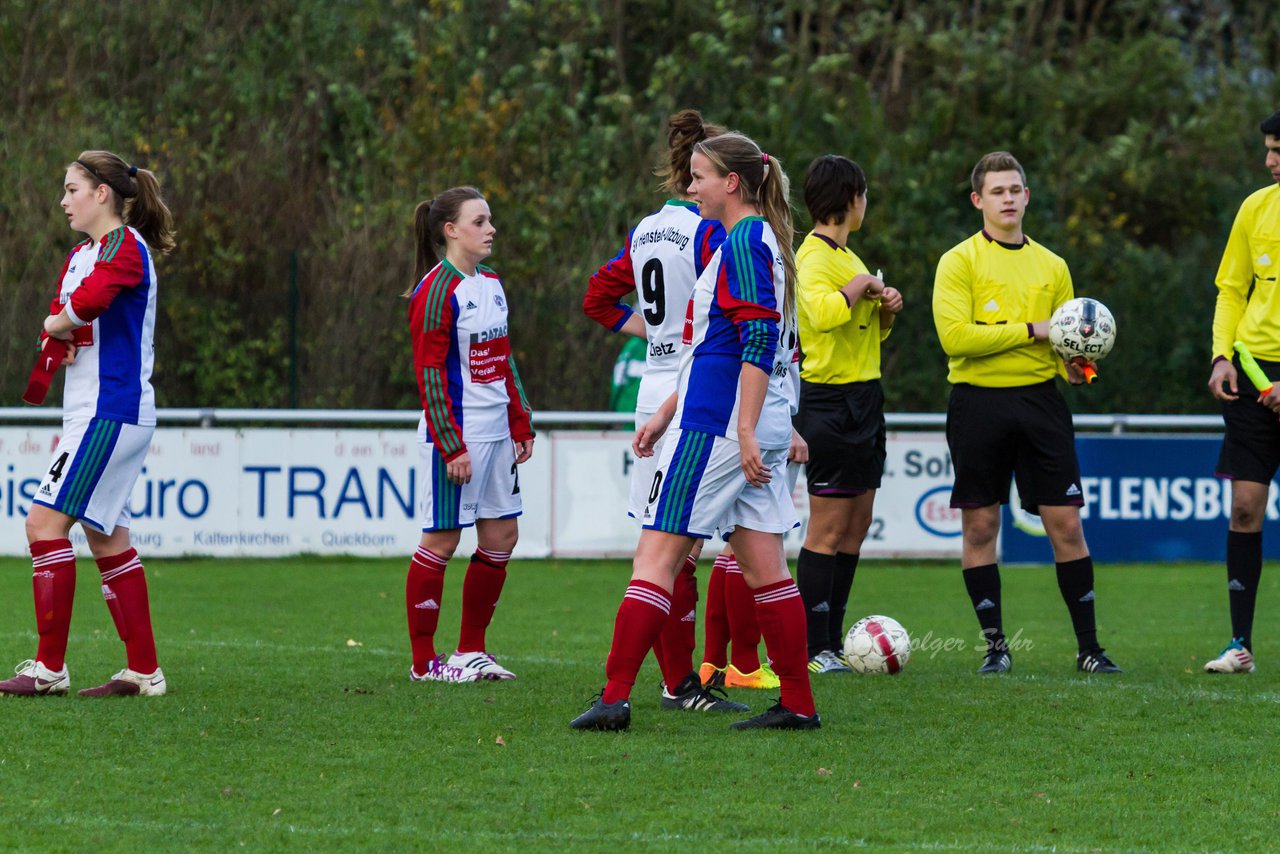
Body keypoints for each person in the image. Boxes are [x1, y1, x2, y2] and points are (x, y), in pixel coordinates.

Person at [572, 131, 820, 731]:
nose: (691, 186)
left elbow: (758, 342)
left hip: (717, 429)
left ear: (732, 183)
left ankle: (614, 699)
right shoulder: (756, 240)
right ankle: (798, 704)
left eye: (701, 176)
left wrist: (742, 426)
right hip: (732, 421)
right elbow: (723, 342)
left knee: (654, 558)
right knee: (767, 567)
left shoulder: (742, 243)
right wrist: (666, 411)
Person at [582, 109, 750, 711]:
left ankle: (674, 682)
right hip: (692, 388)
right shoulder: (711, 232)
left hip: (656, 385)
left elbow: (597, 299)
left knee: (671, 545)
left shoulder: (646, 230)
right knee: (674, 549)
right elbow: (728, 309)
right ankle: (676, 683)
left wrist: (651, 332)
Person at [932, 151, 1121, 675]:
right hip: (977, 403)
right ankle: (996, 647)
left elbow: (1065, 350)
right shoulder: (959, 261)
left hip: (1041, 403)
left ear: (1027, 196)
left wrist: (1081, 364)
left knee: (1066, 524)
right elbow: (957, 338)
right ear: (978, 201)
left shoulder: (1053, 266)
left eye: (1015, 189)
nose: (1009, 198)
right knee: (980, 527)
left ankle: (1090, 649)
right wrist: (1034, 331)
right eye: (998, 191)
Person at [0, 151, 175, 698]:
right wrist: (58, 329)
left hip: (111, 411)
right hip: (91, 411)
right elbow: (64, 312)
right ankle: (144, 671)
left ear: (103, 193)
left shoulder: (126, 247)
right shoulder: (83, 253)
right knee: (107, 538)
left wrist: (58, 323)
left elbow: (84, 305)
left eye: (72, 188)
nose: (64, 199)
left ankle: (49, 668)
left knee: (43, 526)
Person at [404, 186, 535, 683]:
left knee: (502, 534)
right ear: (450, 230)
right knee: (441, 539)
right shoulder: (436, 292)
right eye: (479, 221)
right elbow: (430, 375)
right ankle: (424, 664)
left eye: (490, 220)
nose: (491, 229)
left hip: (498, 435)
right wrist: (450, 444)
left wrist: (520, 421)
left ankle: (469, 651)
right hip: (456, 439)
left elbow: (504, 359)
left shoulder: (493, 284)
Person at [792, 155, 903, 675]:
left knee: (857, 525)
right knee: (828, 529)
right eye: (863, 193)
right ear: (848, 199)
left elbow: (863, 332)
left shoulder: (849, 256)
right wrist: (861, 289)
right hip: (830, 402)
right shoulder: (812, 257)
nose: (866, 203)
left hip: (865, 398)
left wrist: (883, 312)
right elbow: (823, 314)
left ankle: (835, 640)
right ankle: (814, 647)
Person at [1204, 109, 1280, 674]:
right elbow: (1231, 289)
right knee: (1245, 507)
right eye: (1268, 149)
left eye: (1278, 150)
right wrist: (1222, 355)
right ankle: (1239, 645)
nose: (1269, 161)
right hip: (1255, 378)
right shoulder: (1255, 208)